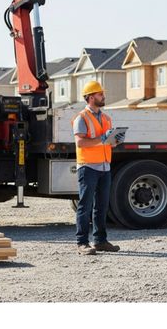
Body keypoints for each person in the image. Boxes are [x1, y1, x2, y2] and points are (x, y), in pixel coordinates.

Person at [71, 81, 125, 255]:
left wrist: (115, 140)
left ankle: (100, 241)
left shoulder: (106, 118)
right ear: (91, 97)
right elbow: (80, 142)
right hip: (88, 167)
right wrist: (102, 139)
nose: (104, 96)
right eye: (101, 94)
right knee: (85, 205)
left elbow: (108, 142)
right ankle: (82, 243)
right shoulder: (82, 118)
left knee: (101, 206)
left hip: (104, 167)